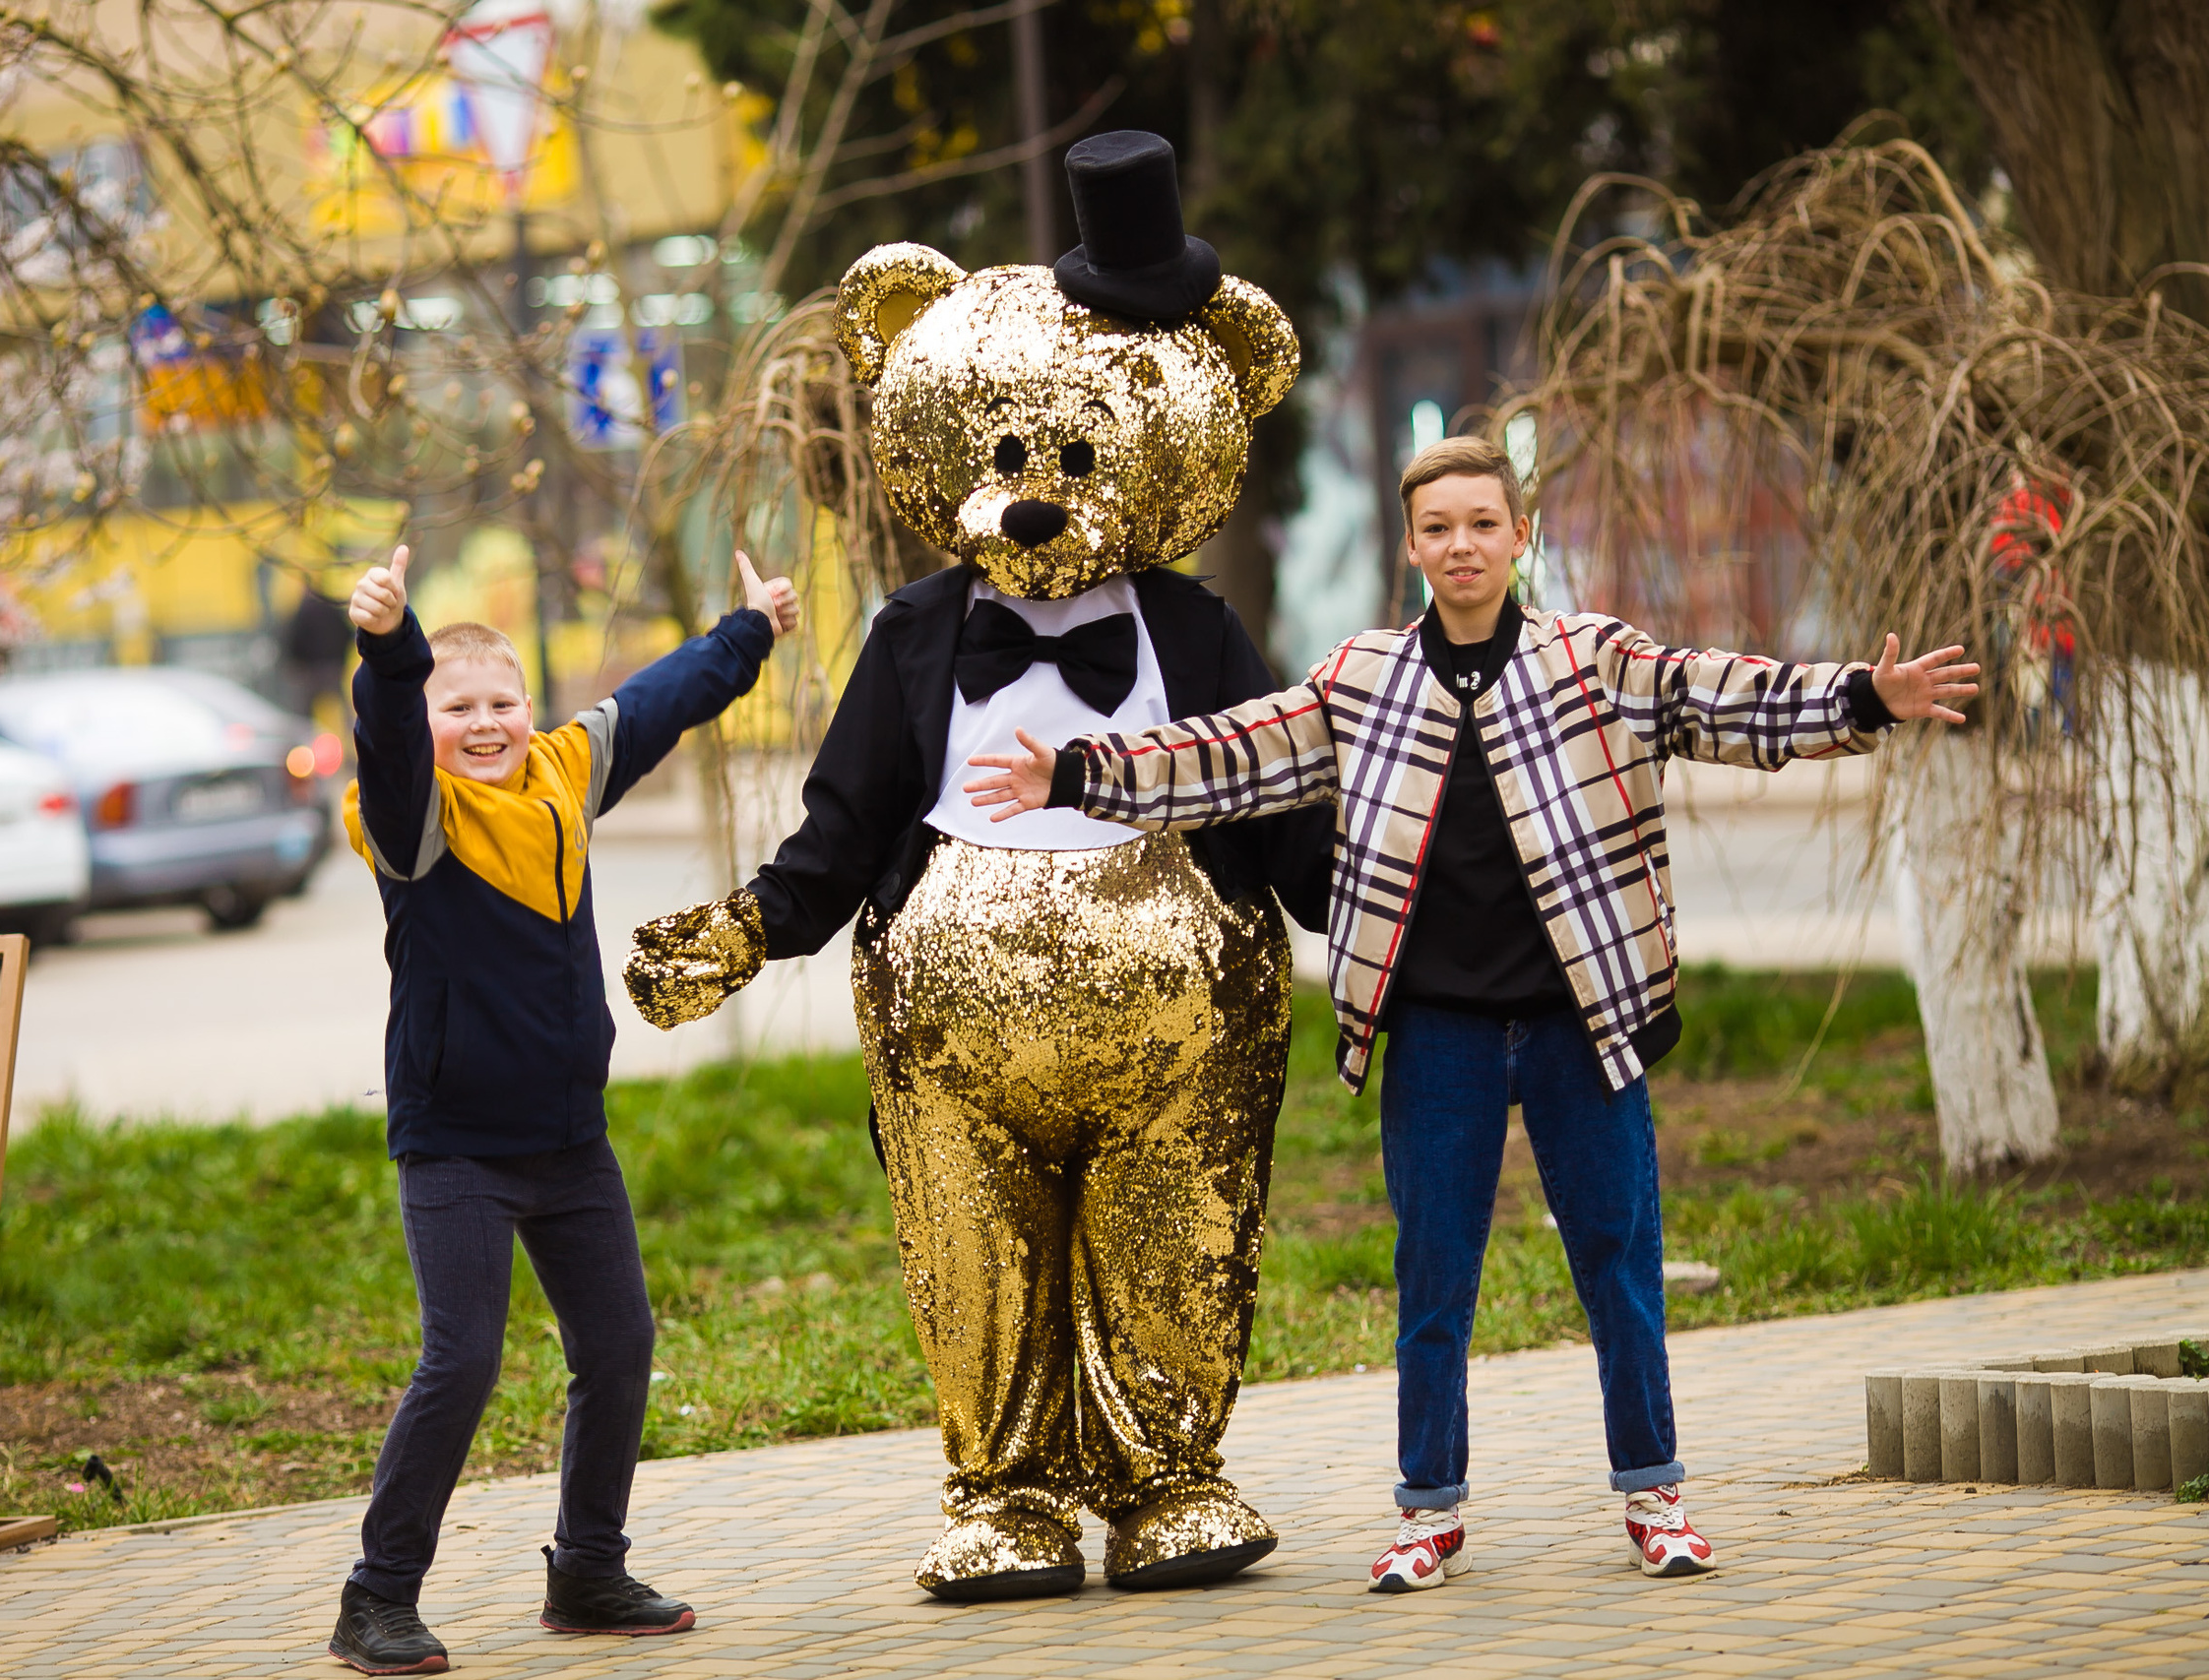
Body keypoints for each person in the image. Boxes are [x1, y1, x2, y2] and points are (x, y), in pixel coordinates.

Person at [962, 435, 1978, 1593]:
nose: (1461, 546)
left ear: (1519, 535)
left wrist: (1861, 699)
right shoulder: (1364, 676)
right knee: (1433, 1277)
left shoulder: (1593, 661)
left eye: (1482, 524)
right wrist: (1082, 774)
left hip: (1577, 1023)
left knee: (1617, 1266)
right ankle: (1427, 1513)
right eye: (1438, 527)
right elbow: (1234, 754)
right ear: (1412, 545)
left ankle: (1655, 1498)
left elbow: (1724, 697)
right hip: (1435, 1029)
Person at [328, 542, 799, 1675]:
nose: (483, 724)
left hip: (567, 1138)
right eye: (458, 708)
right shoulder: (414, 818)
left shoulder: (559, 778)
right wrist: (391, 651)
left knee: (619, 1344)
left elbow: (650, 704)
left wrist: (749, 632)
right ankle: (374, 1597)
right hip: (455, 1144)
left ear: (528, 709)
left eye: (501, 702)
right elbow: (389, 736)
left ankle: (586, 1569)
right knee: (462, 1361)